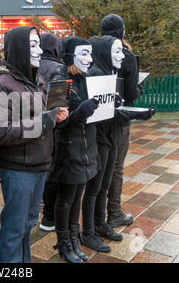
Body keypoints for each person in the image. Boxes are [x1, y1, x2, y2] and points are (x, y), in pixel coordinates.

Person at [0, 26, 68, 263]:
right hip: (18, 169)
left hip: (40, 164)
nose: (39, 51)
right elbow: (1, 133)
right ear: (19, 48)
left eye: (39, 44)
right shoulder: (0, 84)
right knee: (14, 228)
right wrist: (45, 120)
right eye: (32, 45)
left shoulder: (38, 78)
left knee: (28, 224)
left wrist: (56, 117)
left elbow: (44, 119)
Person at [80, 35, 155, 253]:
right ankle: (88, 231)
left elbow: (113, 109)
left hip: (112, 137)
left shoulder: (112, 74)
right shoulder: (95, 75)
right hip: (100, 140)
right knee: (94, 188)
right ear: (105, 53)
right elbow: (101, 113)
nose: (122, 56)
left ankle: (100, 223)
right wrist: (131, 114)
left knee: (104, 185)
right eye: (117, 51)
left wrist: (133, 114)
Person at [52, 37, 99, 263]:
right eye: (83, 54)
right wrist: (79, 113)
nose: (89, 59)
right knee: (66, 199)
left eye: (90, 54)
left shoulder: (88, 79)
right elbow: (56, 120)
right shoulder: (59, 80)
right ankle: (64, 242)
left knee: (77, 196)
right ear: (71, 56)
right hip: (68, 150)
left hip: (86, 149)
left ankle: (74, 238)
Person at [100, 14, 142, 228]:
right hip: (118, 119)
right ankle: (113, 212)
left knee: (97, 163)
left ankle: (94, 216)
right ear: (121, 31)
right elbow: (131, 93)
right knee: (116, 166)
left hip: (95, 115)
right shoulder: (127, 56)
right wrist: (139, 88)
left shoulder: (93, 50)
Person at [37, 33, 65, 232]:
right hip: (51, 126)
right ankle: (49, 217)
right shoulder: (58, 69)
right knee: (52, 172)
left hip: (31, 125)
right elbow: (58, 106)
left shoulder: (32, 64)